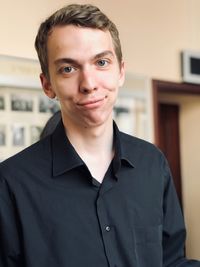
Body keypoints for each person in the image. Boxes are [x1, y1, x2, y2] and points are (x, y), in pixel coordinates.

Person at [0, 4, 199, 267]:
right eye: (68, 69)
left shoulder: (152, 163)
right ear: (47, 84)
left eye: (101, 62)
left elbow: (172, 261)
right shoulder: (11, 182)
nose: (89, 83)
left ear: (121, 72)